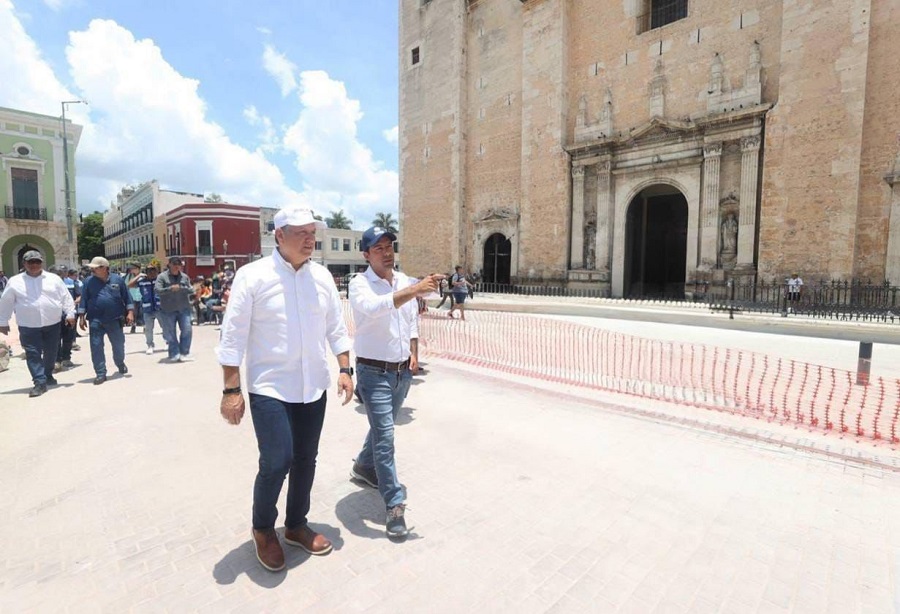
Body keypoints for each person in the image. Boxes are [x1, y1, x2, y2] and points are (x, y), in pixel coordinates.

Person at [217, 204, 354, 572]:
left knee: (306, 460)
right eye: (301, 233)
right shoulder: (252, 276)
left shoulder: (322, 278)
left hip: (313, 388)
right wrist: (231, 390)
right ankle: (263, 528)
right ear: (278, 235)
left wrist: (345, 367)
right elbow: (233, 336)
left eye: (313, 232)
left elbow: (335, 328)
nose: (310, 239)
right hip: (270, 388)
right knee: (277, 461)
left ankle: (295, 525)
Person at [348, 226, 442, 539]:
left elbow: (411, 316)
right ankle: (394, 504)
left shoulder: (403, 280)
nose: (387, 253)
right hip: (373, 372)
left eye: (390, 246)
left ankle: (364, 466)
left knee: (380, 428)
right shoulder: (359, 284)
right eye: (379, 249)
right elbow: (376, 308)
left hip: (402, 372)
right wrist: (414, 290)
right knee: (386, 437)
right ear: (366, 254)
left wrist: (413, 352)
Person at [0, 250, 75, 397]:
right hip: (28, 325)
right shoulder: (15, 281)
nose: (34, 265)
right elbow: (6, 302)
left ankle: (47, 374)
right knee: (33, 353)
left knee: (51, 352)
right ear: (24, 264)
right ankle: (39, 382)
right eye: (30, 262)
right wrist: (3, 321)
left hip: (52, 323)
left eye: (37, 262)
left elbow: (65, 297)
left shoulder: (54, 279)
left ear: (42, 263)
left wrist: (70, 314)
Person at [78, 256, 133, 385]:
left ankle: (120, 362)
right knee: (96, 346)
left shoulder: (117, 280)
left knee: (118, 345)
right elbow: (84, 299)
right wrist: (81, 317)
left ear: (104, 268)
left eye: (95, 268)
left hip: (115, 319)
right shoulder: (88, 282)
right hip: (95, 319)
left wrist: (130, 312)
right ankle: (100, 373)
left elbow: (127, 297)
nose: (92, 270)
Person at [155, 257, 195, 362]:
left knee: (187, 330)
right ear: (169, 265)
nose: (177, 266)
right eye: (174, 264)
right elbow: (157, 290)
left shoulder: (184, 277)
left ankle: (184, 353)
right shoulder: (162, 277)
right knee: (170, 333)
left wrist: (182, 288)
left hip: (183, 308)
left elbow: (191, 289)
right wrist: (169, 289)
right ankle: (174, 353)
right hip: (168, 310)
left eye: (179, 264)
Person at [54, 266, 79, 372]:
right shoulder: (47, 283)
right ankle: (56, 360)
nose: (62, 273)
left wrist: (71, 305)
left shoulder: (72, 282)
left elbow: (79, 295)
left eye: (63, 271)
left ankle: (66, 358)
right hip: (54, 315)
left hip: (69, 314)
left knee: (68, 338)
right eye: (59, 272)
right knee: (55, 339)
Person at [134, 265, 161, 355]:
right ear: (146, 272)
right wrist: (138, 276)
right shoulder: (142, 282)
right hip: (147, 309)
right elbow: (129, 285)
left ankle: (168, 342)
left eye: (154, 270)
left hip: (160, 308)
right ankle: (150, 345)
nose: (152, 272)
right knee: (148, 329)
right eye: (149, 271)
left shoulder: (160, 281)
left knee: (165, 326)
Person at [124, 263, 144, 334]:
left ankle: (145, 327)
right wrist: (138, 276)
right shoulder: (129, 276)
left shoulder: (144, 276)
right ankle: (133, 326)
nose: (131, 269)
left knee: (143, 313)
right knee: (133, 313)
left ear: (138, 268)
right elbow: (127, 285)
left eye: (133, 268)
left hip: (141, 297)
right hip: (132, 297)